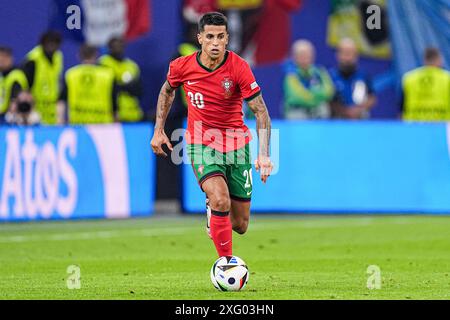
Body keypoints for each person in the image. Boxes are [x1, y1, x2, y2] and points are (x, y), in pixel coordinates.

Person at [150, 12, 273, 258]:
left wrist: (264, 154)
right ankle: (225, 263)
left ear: (227, 38)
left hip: (237, 145)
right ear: (200, 38)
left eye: (220, 37)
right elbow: (167, 92)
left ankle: (214, 217)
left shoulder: (239, 67)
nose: (215, 42)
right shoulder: (181, 66)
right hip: (201, 143)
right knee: (219, 199)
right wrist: (158, 130)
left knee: (240, 225)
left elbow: (260, 110)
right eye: (209, 37)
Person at [57, 44, 118, 125]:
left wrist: (60, 121)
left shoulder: (71, 74)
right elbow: (114, 102)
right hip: (102, 126)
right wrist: (116, 122)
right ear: (96, 55)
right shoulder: (107, 75)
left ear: (79, 56)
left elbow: (61, 101)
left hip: (77, 125)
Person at [283, 39, 334, 120]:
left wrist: (313, 95)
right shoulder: (291, 74)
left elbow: (329, 91)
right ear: (294, 57)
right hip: (298, 111)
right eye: (301, 55)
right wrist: (316, 97)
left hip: (317, 110)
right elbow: (297, 96)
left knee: (324, 108)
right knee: (297, 114)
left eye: (307, 54)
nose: (304, 58)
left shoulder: (320, 71)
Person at [22, 31, 63, 125]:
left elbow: (58, 80)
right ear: (42, 43)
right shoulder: (33, 59)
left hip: (51, 110)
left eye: (55, 43)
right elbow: (25, 86)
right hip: (36, 110)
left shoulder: (58, 57)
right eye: (49, 43)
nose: (52, 46)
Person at [99, 36, 144, 122]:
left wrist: (123, 86)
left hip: (132, 113)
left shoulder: (131, 65)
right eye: (114, 46)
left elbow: (139, 90)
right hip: (111, 114)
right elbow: (106, 89)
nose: (117, 49)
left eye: (120, 46)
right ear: (109, 48)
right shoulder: (103, 63)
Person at [329, 38, 376, 119]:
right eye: (345, 53)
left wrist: (358, 109)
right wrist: (344, 111)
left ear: (356, 56)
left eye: (350, 53)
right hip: (336, 117)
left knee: (364, 114)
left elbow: (372, 97)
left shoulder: (363, 75)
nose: (348, 58)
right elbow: (326, 100)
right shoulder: (330, 76)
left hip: (359, 116)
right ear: (338, 55)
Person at [401, 47, 450, 121]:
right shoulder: (447, 78)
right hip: (442, 127)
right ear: (439, 60)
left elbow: (401, 107)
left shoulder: (409, 78)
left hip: (414, 126)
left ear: (424, 60)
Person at [0, 47, 29, 124]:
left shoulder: (16, 75)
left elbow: (16, 98)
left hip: (9, 118)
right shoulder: (2, 76)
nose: (2, 60)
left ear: (11, 59)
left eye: (5, 57)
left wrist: (11, 114)